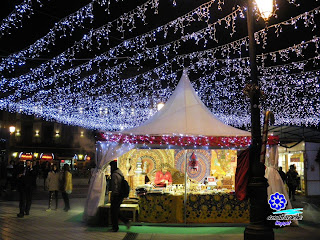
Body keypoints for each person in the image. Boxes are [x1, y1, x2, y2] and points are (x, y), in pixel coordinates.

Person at [109, 160, 131, 232]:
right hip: (120, 194)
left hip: (117, 195)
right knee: (116, 210)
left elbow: (115, 185)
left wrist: (113, 194)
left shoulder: (115, 174)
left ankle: (115, 227)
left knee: (114, 211)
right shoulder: (120, 173)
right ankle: (126, 221)